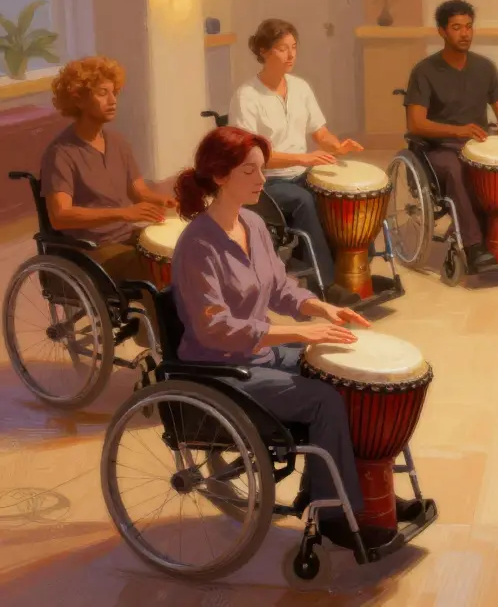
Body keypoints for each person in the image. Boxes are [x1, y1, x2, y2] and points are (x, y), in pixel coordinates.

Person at [170, 125, 428, 550]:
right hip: (220, 370)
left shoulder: (251, 223)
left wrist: (320, 308)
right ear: (219, 176)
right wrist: (296, 332)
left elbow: (281, 289)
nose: (260, 180)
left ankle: (359, 494)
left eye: (262, 170)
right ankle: (334, 515)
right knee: (323, 398)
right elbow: (214, 328)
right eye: (249, 172)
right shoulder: (198, 244)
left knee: (345, 378)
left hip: (257, 354)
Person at [402, 0, 498, 269]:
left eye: (469, 27)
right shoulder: (424, 71)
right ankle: (474, 246)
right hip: (439, 148)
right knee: (457, 171)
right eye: (457, 27)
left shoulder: (484, 67)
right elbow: (416, 124)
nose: (465, 33)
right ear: (442, 32)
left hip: (479, 144)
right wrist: (457, 130)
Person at [229, 18, 363, 306]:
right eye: (282, 49)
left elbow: (320, 132)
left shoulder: (300, 88)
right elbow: (250, 158)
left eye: (293, 48)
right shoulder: (246, 96)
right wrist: (302, 157)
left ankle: (351, 272)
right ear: (263, 51)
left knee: (340, 195)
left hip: (301, 174)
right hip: (264, 184)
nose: (291, 55)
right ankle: (323, 285)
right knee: (303, 199)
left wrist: (337, 145)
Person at [41, 56, 176, 282]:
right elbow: (60, 216)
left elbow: (139, 192)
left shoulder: (117, 142)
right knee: (155, 272)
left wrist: (167, 201)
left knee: (183, 254)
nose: (113, 100)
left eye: (115, 93)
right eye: (102, 93)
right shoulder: (61, 153)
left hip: (125, 236)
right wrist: (123, 213)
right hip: (90, 248)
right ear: (79, 99)